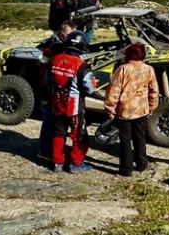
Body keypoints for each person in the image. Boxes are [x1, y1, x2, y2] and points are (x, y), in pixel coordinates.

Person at [104, 42, 159, 177]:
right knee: (140, 138)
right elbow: (154, 90)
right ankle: (142, 164)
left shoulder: (123, 69)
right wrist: (152, 106)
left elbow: (113, 91)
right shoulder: (148, 69)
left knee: (125, 140)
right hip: (142, 109)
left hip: (125, 110)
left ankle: (126, 168)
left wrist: (110, 110)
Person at [47, 31, 98, 173]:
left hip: (57, 104)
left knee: (58, 134)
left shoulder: (54, 60)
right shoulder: (81, 65)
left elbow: (47, 81)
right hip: (74, 108)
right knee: (79, 135)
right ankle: (76, 164)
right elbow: (90, 88)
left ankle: (57, 163)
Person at [38, 19, 78, 163]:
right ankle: (46, 151)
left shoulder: (61, 47)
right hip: (50, 90)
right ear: (62, 33)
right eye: (69, 34)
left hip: (57, 90)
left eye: (73, 34)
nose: (71, 37)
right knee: (50, 121)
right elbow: (44, 70)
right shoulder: (53, 48)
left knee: (56, 122)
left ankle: (53, 150)